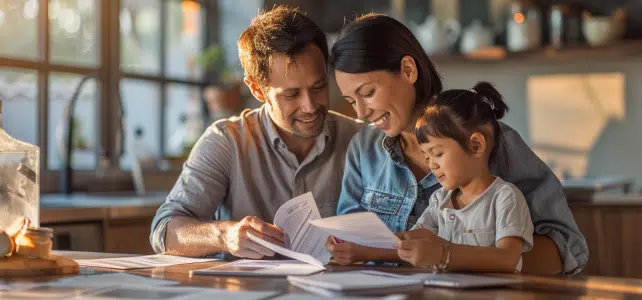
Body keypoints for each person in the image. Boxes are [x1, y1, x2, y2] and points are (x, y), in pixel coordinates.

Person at [326, 13, 588, 275]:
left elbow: (567, 248)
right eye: (351, 101)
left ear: (408, 70)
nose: (360, 113)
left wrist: (460, 258)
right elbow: (352, 241)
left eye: (368, 93)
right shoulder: (364, 148)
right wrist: (340, 246)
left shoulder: (491, 141)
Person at [150, 6, 362, 259]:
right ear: (257, 90)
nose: (310, 106)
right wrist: (225, 236)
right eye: (291, 94)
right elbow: (164, 230)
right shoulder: (226, 142)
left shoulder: (360, 139)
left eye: (318, 87)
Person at [393, 82, 534, 273]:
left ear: (476, 145)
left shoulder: (504, 197)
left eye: (438, 154)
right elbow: (414, 237)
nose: (432, 164)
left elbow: (508, 258)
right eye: (427, 157)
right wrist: (367, 245)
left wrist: (443, 254)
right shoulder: (439, 200)